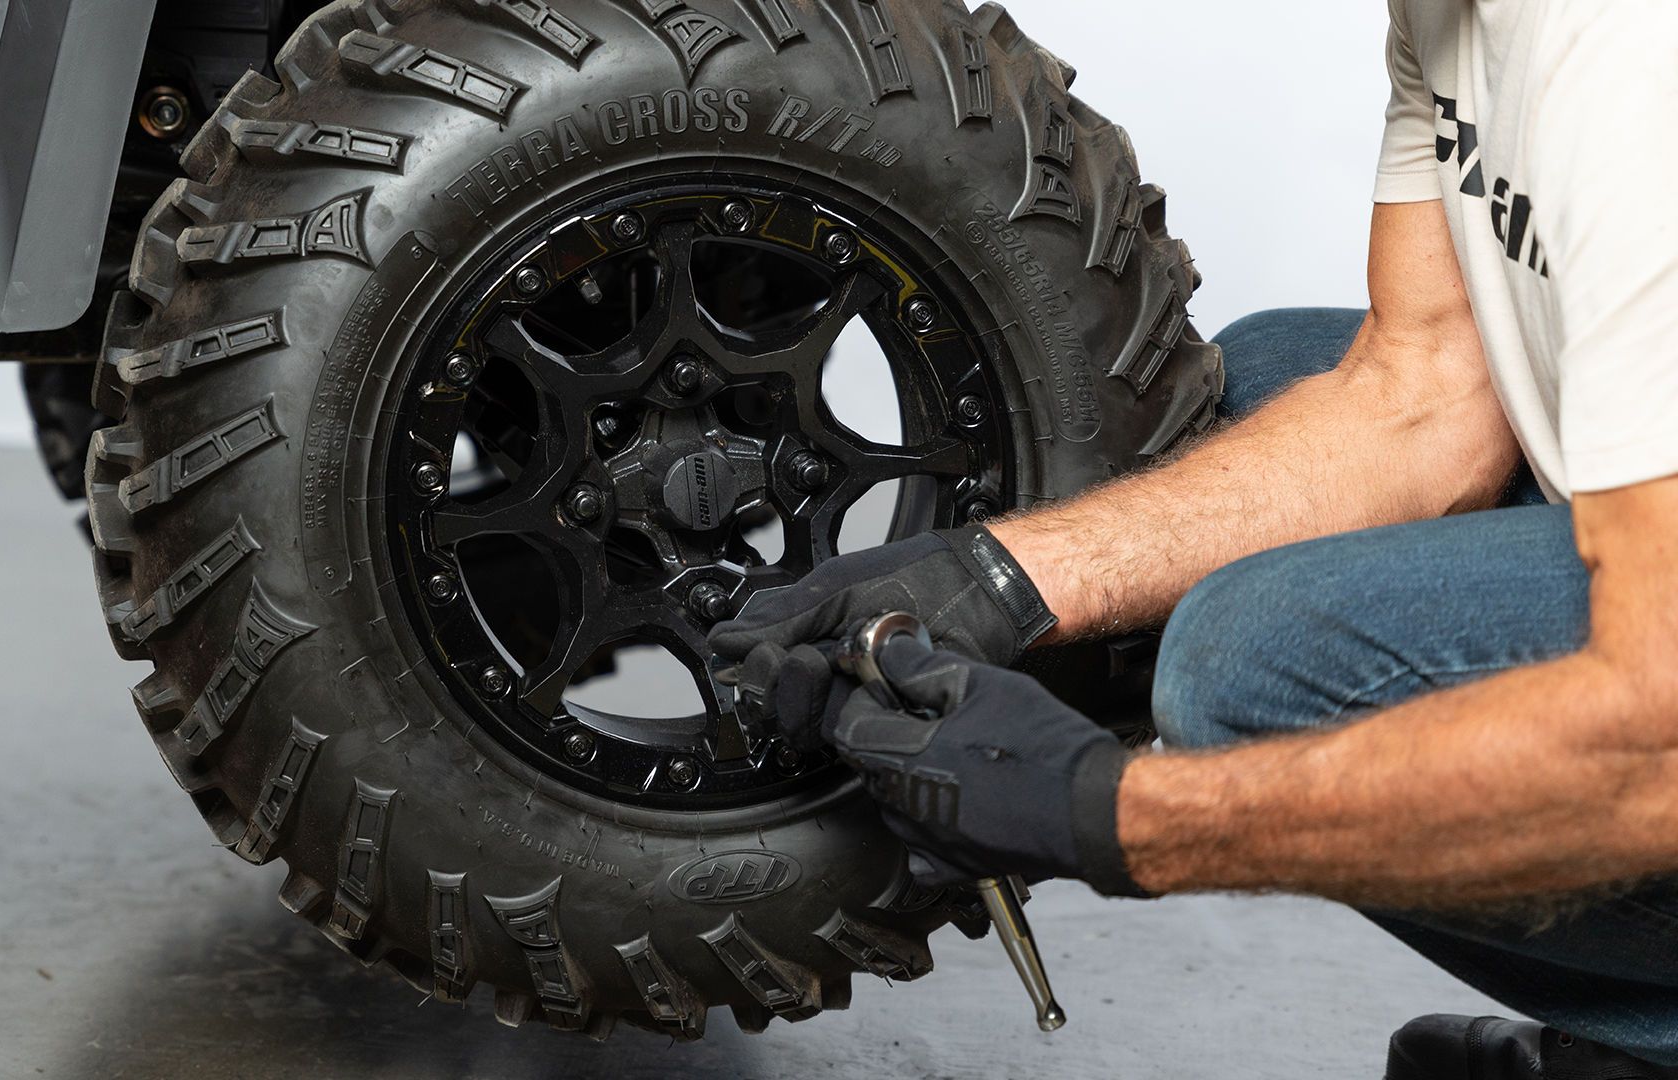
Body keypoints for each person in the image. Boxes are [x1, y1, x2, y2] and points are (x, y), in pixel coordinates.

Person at [709, 1, 1678, 1075]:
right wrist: (1001, 576)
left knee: (1251, 658)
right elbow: (1426, 391)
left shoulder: (1626, 52)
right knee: (1243, 404)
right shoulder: (1449, 17)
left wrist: (1109, 818)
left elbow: (1659, 722)